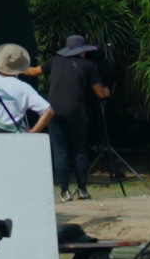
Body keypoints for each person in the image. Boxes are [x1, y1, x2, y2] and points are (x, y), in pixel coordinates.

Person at [47, 34, 116, 196]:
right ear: (82, 51)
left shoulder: (55, 61)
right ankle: (82, 189)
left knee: (60, 150)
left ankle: (64, 190)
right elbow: (99, 93)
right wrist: (106, 91)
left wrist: (14, 67)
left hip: (53, 111)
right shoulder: (88, 65)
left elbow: (34, 71)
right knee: (79, 150)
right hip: (76, 111)